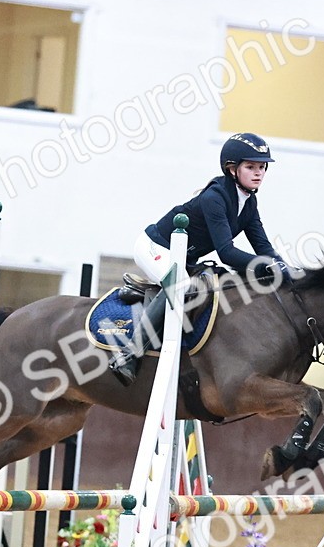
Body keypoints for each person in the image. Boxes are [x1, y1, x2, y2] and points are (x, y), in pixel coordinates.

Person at [108, 132, 292, 385]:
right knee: (181, 286)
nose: (259, 173)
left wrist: (286, 268)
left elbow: (263, 246)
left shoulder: (249, 203)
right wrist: (266, 267)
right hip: (154, 247)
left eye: (262, 167)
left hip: (183, 255)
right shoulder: (214, 198)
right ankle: (129, 354)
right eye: (251, 167)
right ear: (232, 169)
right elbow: (226, 252)